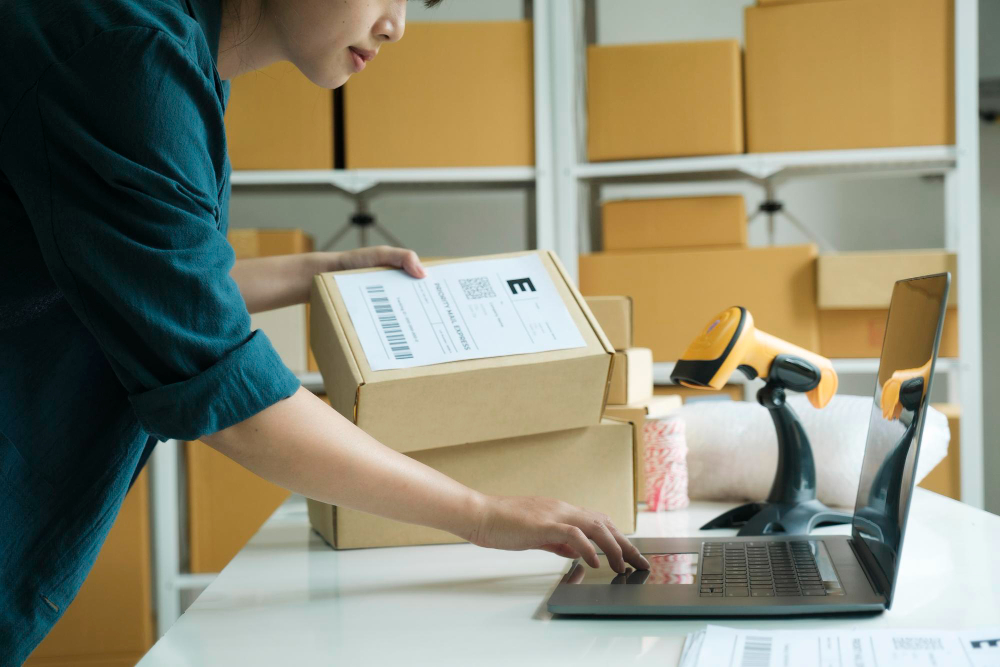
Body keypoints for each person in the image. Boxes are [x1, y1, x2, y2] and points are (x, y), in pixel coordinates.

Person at [0, 0, 648, 660]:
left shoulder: (161, 50)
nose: (397, 25)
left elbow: (146, 285)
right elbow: (231, 402)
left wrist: (325, 269)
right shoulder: (129, 63)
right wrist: (481, 513)